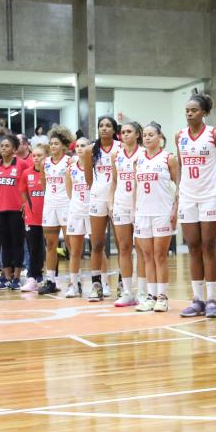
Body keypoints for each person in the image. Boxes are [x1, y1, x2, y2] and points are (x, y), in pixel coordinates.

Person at [176, 93, 216, 318]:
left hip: (209, 196)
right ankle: (197, 299)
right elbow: (180, 166)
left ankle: (212, 298)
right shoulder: (180, 136)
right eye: (187, 110)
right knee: (193, 247)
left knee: (209, 246)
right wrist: (178, 190)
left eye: (194, 110)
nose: (189, 114)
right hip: (188, 196)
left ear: (204, 112)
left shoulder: (214, 134)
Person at [134, 122, 180, 312]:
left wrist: (175, 209)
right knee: (147, 256)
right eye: (144, 135)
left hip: (162, 212)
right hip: (143, 213)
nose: (147, 138)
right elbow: (136, 189)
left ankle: (162, 296)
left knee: (160, 255)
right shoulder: (139, 160)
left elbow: (178, 185)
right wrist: (134, 211)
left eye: (151, 134)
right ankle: (151, 297)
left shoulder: (169, 158)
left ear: (160, 137)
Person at [86, 116, 121, 302]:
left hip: (118, 199)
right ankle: (96, 285)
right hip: (98, 198)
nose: (104, 128)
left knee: (122, 245)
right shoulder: (91, 150)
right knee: (97, 244)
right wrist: (98, 191)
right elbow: (88, 178)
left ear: (114, 129)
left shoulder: (121, 148)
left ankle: (123, 284)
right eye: (101, 125)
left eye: (108, 125)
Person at [38, 127, 75, 296]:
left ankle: (75, 281)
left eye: (56, 144)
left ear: (63, 145)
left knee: (71, 245)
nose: (52, 146)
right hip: (50, 205)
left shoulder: (70, 161)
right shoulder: (45, 162)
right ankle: (51, 280)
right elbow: (43, 183)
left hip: (66, 204)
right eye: (51, 144)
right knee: (50, 245)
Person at [109, 121, 143, 307]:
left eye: (129, 131)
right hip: (121, 204)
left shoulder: (144, 154)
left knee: (142, 250)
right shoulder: (116, 155)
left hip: (140, 205)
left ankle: (144, 291)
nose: (125, 135)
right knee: (124, 248)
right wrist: (111, 202)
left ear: (138, 134)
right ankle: (128, 292)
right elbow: (114, 181)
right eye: (123, 132)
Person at [0, 134, 27, 291]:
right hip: (0, 210)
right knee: (4, 243)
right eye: (1, 145)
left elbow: (27, 185)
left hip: (17, 210)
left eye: (7, 145)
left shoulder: (22, 165)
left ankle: (17, 278)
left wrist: (25, 204)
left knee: (17, 243)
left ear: (14, 149)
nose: (3, 148)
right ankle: (6, 277)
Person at [64, 138, 92, 298]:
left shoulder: (94, 167)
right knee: (75, 251)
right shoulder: (71, 169)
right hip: (76, 212)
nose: (80, 148)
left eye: (83, 146)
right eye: (78, 146)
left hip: (92, 211)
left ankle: (103, 283)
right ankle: (73, 285)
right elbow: (69, 192)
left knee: (98, 248)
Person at [19, 145, 47, 292]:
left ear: (46, 157)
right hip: (32, 217)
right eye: (34, 155)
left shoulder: (49, 172)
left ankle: (48, 278)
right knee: (33, 248)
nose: (36, 158)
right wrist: (26, 205)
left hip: (49, 216)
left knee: (50, 248)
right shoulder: (26, 173)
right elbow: (23, 191)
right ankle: (33, 277)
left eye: (39, 155)